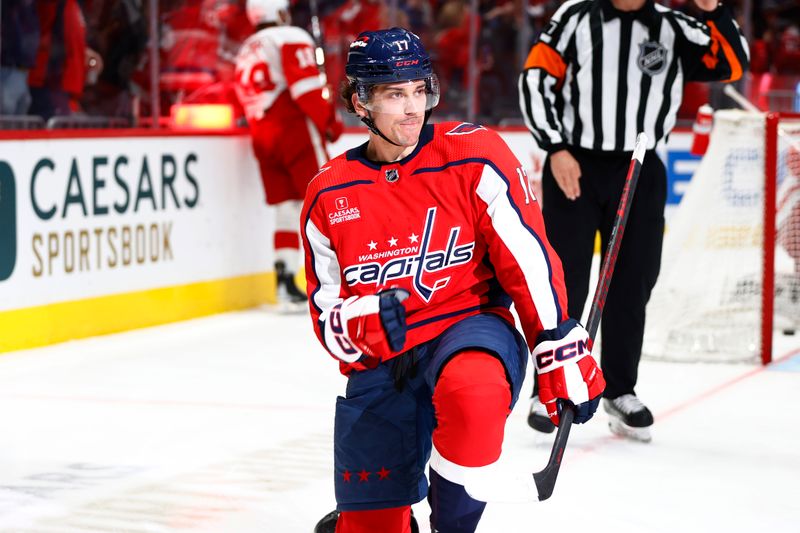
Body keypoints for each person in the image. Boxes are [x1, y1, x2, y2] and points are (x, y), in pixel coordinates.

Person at [303, 27, 605, 533]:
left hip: (469, 326)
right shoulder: (328, 193)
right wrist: (361, 321)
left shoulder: (473, 154)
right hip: (384, 358)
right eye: (395, 95)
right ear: (360, 101)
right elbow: (326, 314)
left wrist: (556, 340)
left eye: (420, 90)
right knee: (371, 526)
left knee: (474, 392)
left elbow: (525, 256)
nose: (412, 108)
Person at [518, 0, 749, 442]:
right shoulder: (574, 16)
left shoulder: (675, 24)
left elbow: (731, 67)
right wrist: (554, 147)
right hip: (575, 164)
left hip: (641, 168)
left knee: (633, 281)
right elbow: (534, 78)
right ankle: (548, 388)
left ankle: (619, 389)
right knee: (564, 282)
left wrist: (713, 10)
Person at [234, 0, 343, 309]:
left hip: (261, 135)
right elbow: (306, 89)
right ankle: (345, 278)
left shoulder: (244, 49)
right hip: (292, 128)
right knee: (329, 196)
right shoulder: (290, 36)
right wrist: (329, 121)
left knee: (287, 206)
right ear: (279, 13)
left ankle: (284, 281)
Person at [0, 0, 39, 116]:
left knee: (22, 106)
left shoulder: (29, 6)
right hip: (7, 66)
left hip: (22, 67)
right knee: (7, 109)